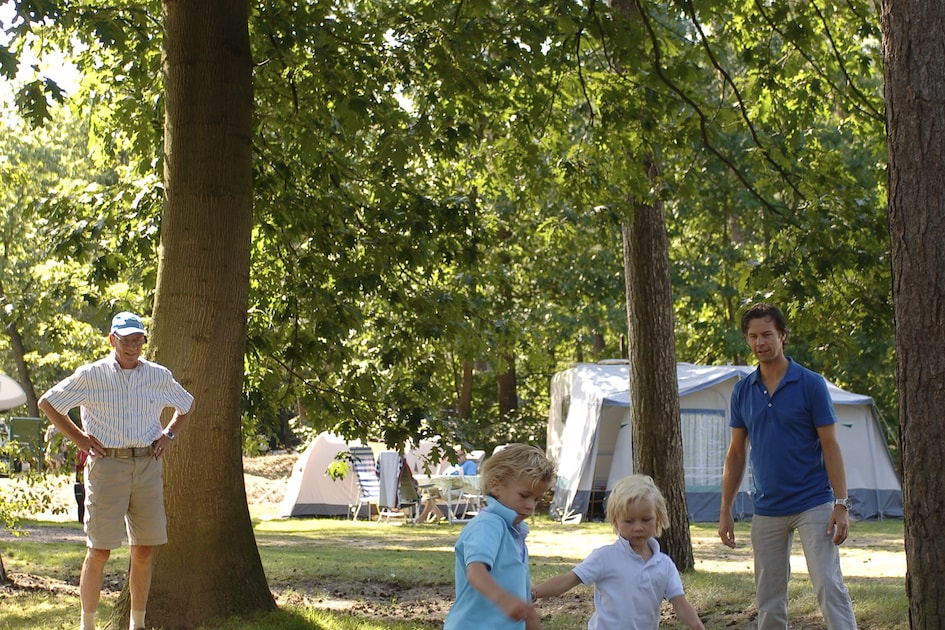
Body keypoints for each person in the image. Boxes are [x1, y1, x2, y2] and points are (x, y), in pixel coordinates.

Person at [37, 311, 194, 630]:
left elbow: (186, 404)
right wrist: (80, 438)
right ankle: (88, 625)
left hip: (147, 465)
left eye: (138, 340)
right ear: (112, 340)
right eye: (126, 340)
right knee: (99, 550)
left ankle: (137, 624)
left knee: (145, 550)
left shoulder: (157, 375)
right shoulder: (91, 375)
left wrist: (168, 435)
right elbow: (48, 403)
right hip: (107, 466)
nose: (133, 347)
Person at [718, 303, 857, 629]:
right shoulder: (742, 391)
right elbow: (736, 454)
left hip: (814, 503)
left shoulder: (810, 384)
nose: (759, 342)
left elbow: (830, 445)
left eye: (767, 334)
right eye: (752, 336)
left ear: (782, 336)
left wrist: (841, 503)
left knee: (827, 584)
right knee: (768, 597)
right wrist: (725, 508)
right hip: (766, 508)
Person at [532, 474, 705, 630]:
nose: (638, 527)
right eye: (629, 521)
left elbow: (680, 603)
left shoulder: (664, 564)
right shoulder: (604, 557)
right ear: (615, 522)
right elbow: (567, 581)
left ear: (658, 518)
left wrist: (697, 626)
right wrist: (532, 593)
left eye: (646, 520)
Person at [444, 443, 556, 630]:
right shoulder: (488, 524)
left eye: (536, 499)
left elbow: (520, 595)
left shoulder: (515, 532)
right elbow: (476, 571)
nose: (531, 506)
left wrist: (530, 618)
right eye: (524, 495)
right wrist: (504, 600)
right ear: (496, 486)